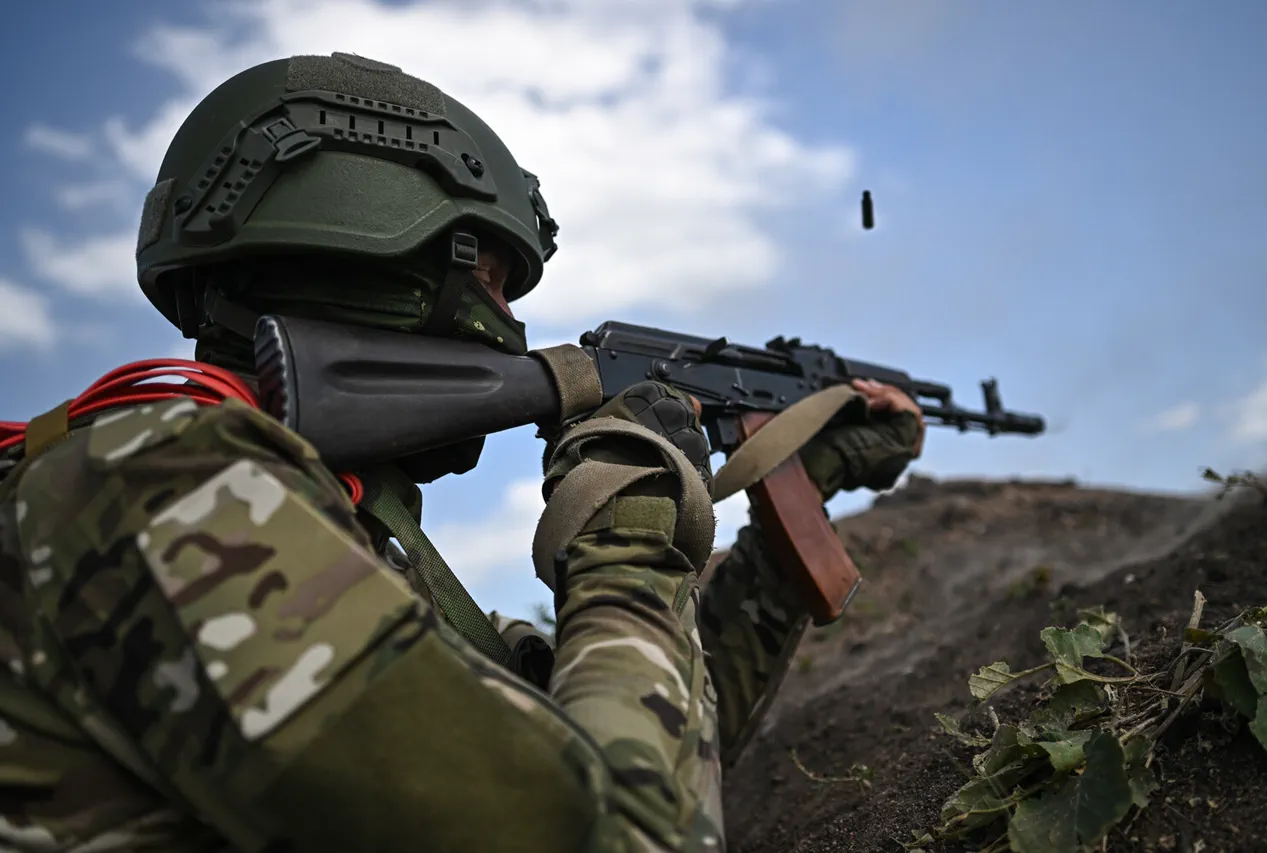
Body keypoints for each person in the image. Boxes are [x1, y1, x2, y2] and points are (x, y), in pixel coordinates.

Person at [0, 53, 924, 853]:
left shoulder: (317, 532)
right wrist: (629, 531)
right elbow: (627, 829)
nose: (512, 326)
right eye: (491, 281)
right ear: (372, 251)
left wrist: (791, 501)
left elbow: (653, 741)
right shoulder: (167, 484)